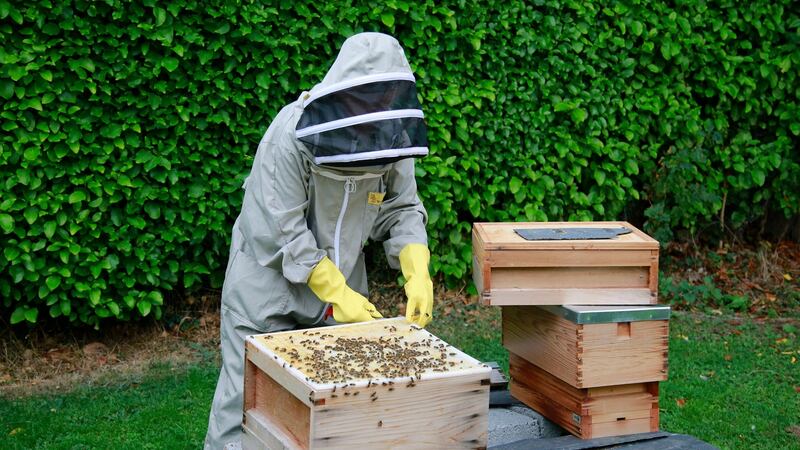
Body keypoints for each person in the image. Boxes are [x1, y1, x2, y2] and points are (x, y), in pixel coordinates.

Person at [204, 32, 434, 449]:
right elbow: (283, 230)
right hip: (267, 293)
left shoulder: (393, 138)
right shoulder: (289, 135)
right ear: (344, 88)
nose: (375, 108)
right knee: (247, 405)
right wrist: (335, 292)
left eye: (384, 98)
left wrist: (416, 268)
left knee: (339, 410)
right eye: (368, 97)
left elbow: (402, 207)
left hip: (342, 291)